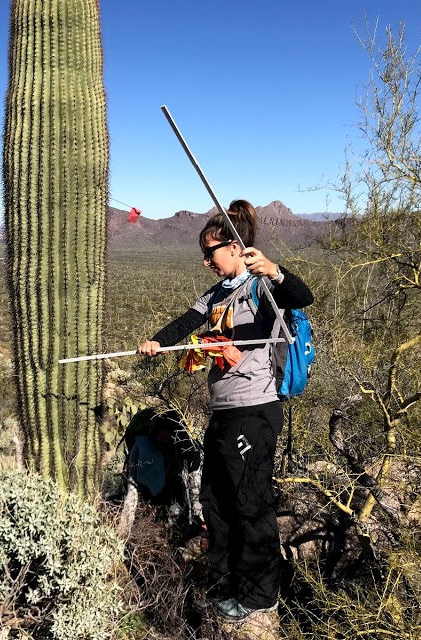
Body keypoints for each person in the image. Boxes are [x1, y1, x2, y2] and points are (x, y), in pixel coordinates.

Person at [138, 200, 313, 629]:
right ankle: (225, 584)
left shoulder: (259, 287)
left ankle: (260, 596)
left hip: (255, 410)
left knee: (250, 502)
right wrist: (158, 342)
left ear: (235, 248)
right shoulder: (216, 294)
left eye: (211, 250)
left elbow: (302, 297)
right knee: (215, 498)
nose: (206, 260)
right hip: (224, 411)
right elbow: (186, 321)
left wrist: (273, 270)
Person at [115, 407, 203, 544]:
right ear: (152, 437)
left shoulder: (185, 445)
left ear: (173, 438)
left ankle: (175, 532)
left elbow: (194, 476)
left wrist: (197, 514)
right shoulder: (142, 448)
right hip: (150, 467)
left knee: (176, 498)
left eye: (166, 440)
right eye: (159, 440)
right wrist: (123, 531)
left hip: (171, 470)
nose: (162, 443)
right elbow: (132, 487)